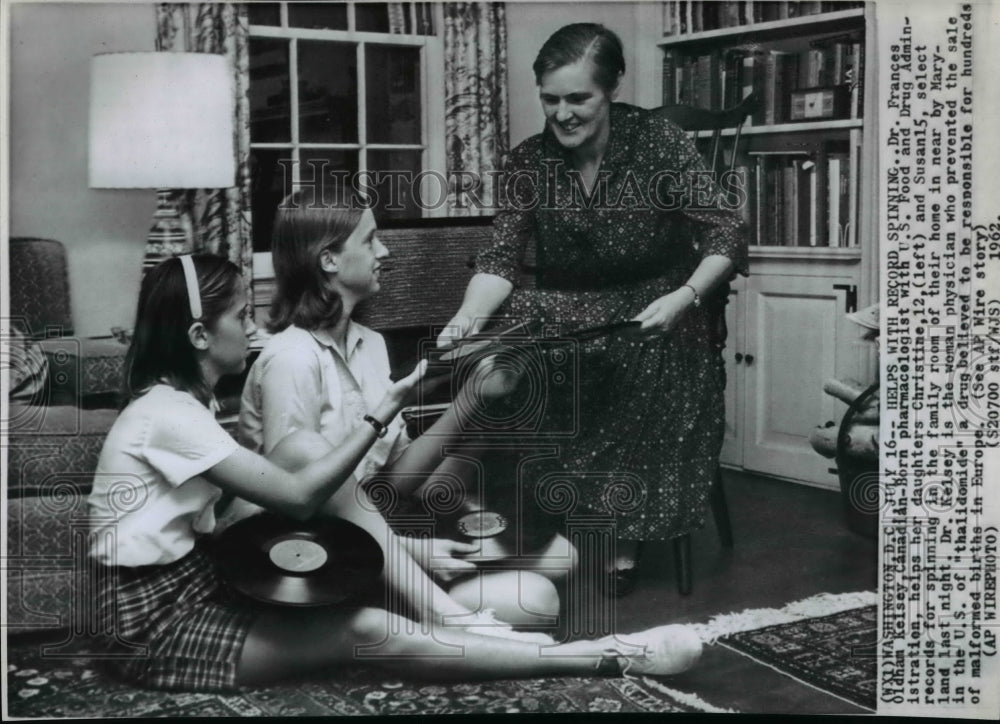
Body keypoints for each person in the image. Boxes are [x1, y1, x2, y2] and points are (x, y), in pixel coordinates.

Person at [86, 252, 703, 693]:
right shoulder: (168, 413)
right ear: (199, 333)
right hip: (156, 624)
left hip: (207, 579)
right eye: (241, 317)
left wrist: (405, 544)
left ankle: (459, 619)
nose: (252, 329)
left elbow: (246, 514)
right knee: (374, 630)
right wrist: (384, 411)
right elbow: (301, 499)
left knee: (524, 594)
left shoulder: (183, 405)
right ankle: (604, 657)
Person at [440, 23, 749, 595]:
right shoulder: (527, 163)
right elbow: (500, 259)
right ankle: (511, 524)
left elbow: (724, 232)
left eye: (578, 98)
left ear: (611, 91)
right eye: (550, 99)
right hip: (573, 305)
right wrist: (466, 320)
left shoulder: (657, 143)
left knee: (632, 360)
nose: (563, 114)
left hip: (659, 308)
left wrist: (685, 297)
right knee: (507, 360)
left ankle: (613, 535)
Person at [233, 189, 576, 626]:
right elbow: (296, 506)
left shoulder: (371, 343)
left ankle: (413, 608)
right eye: (370, 240)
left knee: (564, 558)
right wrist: (414, 553)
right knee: (538, 599)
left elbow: (396, 482)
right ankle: (415, 610)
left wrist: (474, 396)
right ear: (329, 261)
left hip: (383, 536)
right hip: (312, 553)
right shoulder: (291, 358)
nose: (385, 251)